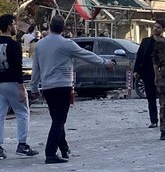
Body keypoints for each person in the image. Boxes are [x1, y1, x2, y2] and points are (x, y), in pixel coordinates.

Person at [30, 15, 115, 164]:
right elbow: (86, 55)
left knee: (56, 119)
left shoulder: (40, 45)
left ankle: (64, 148)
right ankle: (50, 153)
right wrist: (105, 63)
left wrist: (34, 87)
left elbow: (35, 68)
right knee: (59, 120)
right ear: (63, 28)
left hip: (47, 87)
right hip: (62, 85)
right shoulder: (66, 44)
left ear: (49, 27)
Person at [0, 14, 39, 160]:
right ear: (10, 25)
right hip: (12, 82)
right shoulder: (14, 45)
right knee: (22, 112)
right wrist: (22, 89)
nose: (16, 27)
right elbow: (17, 68)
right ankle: (22, 145)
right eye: (14, 24)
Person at [133, 19, 164, 128]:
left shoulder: (164, 42)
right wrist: (136, 70)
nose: (156, 29)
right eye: (155, 27)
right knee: (151, 98)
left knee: (163, 99)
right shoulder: (146, 41)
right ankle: (154, 121)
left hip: (161, 74)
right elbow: (140, 56)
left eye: (159, 27)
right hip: (148, 73)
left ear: (163, 30)